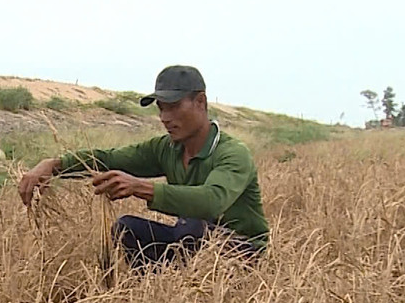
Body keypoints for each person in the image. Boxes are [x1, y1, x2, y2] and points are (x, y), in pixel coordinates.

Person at [18, 65, 268, 270]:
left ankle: (192, 290)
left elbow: (211, 201)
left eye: (174, 106)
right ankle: (160, 293)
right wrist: (54, 165)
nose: (165, 117)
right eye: (161, 108)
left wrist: (140, 188)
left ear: (200, 102)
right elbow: (109, 159)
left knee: (191, 228)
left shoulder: (232, 153)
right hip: (192, 242)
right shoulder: (166, 148)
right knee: (127, 228)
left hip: (243, 252)